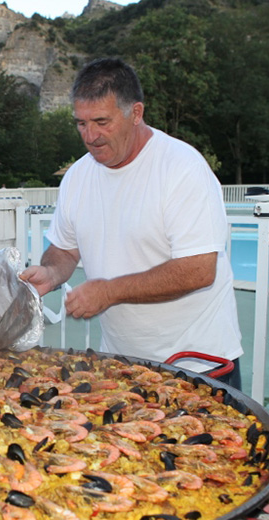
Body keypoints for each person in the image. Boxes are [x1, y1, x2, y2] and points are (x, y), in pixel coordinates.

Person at [21, 57, 242, 388]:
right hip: (121, 366)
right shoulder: (78, 176)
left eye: (101, 122)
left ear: (135, 113)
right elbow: (65, 250)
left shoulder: (182, 168)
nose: (90, 136)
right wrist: (51, 273)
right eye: (81, 124)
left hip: (198, 363)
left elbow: (199, 269)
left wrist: (109, 291)